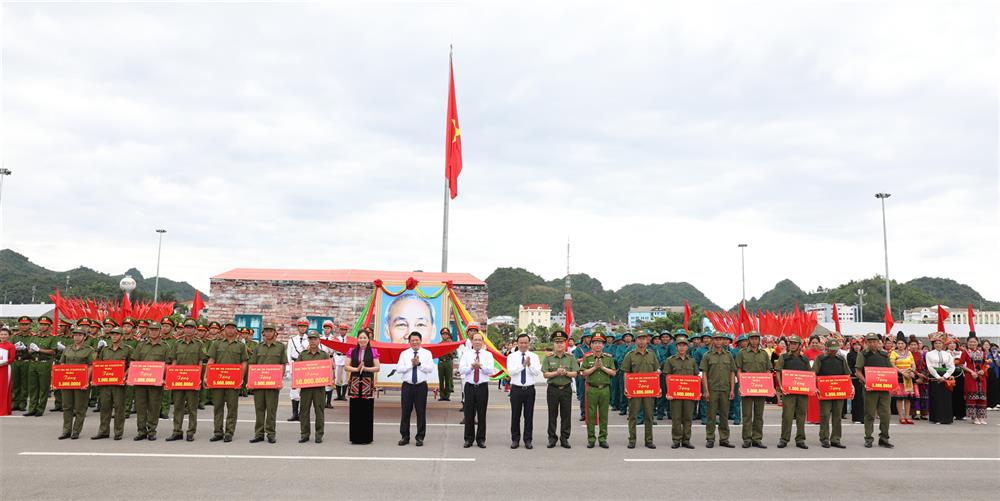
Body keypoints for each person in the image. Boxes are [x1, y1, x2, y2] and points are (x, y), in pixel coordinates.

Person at [207, 320, 249, 442]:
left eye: (233, 328)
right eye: (228, 327)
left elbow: (244, 362)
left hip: (233, 382)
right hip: (218, 381)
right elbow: (211, 360)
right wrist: (206, 376)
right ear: (224, 329)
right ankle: (218, 432)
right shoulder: (216, 344)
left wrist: (241, 378)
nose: (230, 330)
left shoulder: (241, 345)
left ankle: (229, 432)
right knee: (218, 407)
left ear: (236, 330)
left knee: (232, 408)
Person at [166, 320, 204, 442]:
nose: (188, 330)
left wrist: (198, 378)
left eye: (191, 328)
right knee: (178, 406)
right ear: (183, 329)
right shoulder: (177, 344)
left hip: (192, 381)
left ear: (195, 330)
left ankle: (191, 431)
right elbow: (174, 361)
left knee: (192, 408)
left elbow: (200, 362)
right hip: (178, 380)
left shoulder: (199, 344)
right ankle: (177, 431)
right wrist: (171, 378)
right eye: (186, 327)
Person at [459, 328, 497, 448]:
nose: (477, 342)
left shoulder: (488, 355)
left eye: (479, 340)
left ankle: (481, 439)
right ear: (472, 341)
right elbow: (461, 370)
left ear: (483, 342)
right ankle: (468, 439)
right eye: (475, 340)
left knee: (482, 414)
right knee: (469, 414)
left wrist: (480, 366)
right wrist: (471, 367)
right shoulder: (466, 354)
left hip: (482, 387)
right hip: (469, 386)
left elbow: (491, 371)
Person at [56, 325, 95, 440]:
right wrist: (60, 380)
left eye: (80, 335)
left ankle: (76, 430)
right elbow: (62, 364)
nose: (77, 337)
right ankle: (66, 430)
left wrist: (86, 381)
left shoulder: (89, 350)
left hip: (81, 383)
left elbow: (91, 366)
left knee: (80, 408)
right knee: (67, 406)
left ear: (84, 337)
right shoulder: (68, 348)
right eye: (75, 335)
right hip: (68, 382)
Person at [855, 332, 894, 448]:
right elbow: (858, 372)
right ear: (866, 343)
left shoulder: (884, 354)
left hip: (884, 389)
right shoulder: (863, 355)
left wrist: (892, 383)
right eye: (870, 342)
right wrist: (867, 382)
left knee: (885, 414)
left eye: (875, 341)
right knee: (869, 414)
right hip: (870, 389)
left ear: (878, 342)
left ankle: (884, 438)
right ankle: (868, 438)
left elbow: (890, 371)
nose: (872, 344)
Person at [249, 322, 286, 444]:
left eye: (271, 331)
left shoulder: (280, 347)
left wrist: (279, 380)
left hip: (273, 384)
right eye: (267, 331)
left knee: (271, 410)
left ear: (275, 333)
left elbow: (282, 365)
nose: (269, 333)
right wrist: (251, 381)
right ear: (263, 333)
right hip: (259, 384)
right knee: (259, 409)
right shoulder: (258, 347)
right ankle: (259, 434)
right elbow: (252, 365)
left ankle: (271, 433)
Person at [621, 330, 659, 449]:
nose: (642, 341)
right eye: (639, 338)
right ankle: (632, 440)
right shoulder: (630, 355)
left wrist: (658, 388)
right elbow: (626, 373)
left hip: (648, 391)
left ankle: (649, 440)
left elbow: (656, 372)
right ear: (636, 340)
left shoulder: (652, 354)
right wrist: (626, 388)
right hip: (634, 391)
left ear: (647, 340)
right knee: (633, 416)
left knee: (649, 416)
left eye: (644, 338)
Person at [93, 327, 131, 440]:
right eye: (112, 334)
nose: (114, 336)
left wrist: (124, 375)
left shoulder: (127, 349)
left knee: (119, 408)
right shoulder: (105, 350)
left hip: (119, 384)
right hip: (105, 383)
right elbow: (98, 364)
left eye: (117, 334)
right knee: (105, 407)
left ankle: (118, 432)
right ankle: (103, 431)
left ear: (122, 336)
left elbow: (131, 365)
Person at [542, 330, 578, 449]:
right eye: (557, 342)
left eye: (562, 342)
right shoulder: (548, 358)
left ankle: (564, 438)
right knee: (552, 414)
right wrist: (556, 373)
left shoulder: (570, 357)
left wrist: (566, 372)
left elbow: (575, 374)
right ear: (553, 343)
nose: (559, 344)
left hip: (566, 389)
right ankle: (552, 438)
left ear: (565, 343)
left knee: (566, 415)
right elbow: (545, 374)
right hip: (553, 389)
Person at [133, 322, 169, 441]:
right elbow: (135, 362)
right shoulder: (141, 345)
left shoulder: (165, 346)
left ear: (160, 331)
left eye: (156, 330)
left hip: (156, 382)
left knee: (154, 407)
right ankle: (141, 431)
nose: (153, 332)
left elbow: (167, 364)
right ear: (148, 331)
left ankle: (152, 430)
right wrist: (132, 377)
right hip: (141, 381)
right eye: (151, 329)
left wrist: (163, 377)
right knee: (141, 406)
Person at [735, 331, 771, 449]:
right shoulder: (742, 353)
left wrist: (768, 386)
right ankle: (747, 439)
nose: (754, 341)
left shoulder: (764, 354)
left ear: (759, 340)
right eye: (752, 338)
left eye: (756, 338)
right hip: (747, 389)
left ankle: (757, 438)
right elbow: (738, 370)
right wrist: (741, 384)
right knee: (746, 415)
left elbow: (768, 370)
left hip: (761, 389)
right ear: (749, 340)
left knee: (759, 415)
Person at [398, 331, 434, 446]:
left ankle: (420, 437)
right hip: (407, 386)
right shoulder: (404, 354)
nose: (415, 342)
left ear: (420, 340)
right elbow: (399, 369)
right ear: (409, 342)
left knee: (421, 412)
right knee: (405, 412)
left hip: (421, 386)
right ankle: (405, 436)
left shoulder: (427, 353)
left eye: (416, 340)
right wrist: (411, 365)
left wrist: (419, 364)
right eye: (412, 340)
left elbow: (430, 368)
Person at [580, 333, 616, 449]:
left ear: (603, 345)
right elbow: (583, 373)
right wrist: (595, 367)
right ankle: (591, 439)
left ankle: (603, 438)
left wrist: (603, 367)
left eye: (600, 343)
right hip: (592, 388)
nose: (597, 345)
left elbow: (613, 373)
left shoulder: (609, 358)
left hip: (604, 389)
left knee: (604, 415)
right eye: (595, 343)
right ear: (591, 345)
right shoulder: (588, 358)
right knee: (590, 415)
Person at [701, 331, 736, 448]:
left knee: (724, 415)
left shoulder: (729, 355)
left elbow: (732, 373)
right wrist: (706, 390)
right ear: (713, 340)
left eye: (721, 339)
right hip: (712, 389)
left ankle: (724, 438)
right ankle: (710, 438)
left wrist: (732, 390)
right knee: (711, 415)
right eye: (716, 339)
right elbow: (704, 374)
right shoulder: (707, 355)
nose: (718, 341)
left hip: (725, 389)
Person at [814, 338, 850, 448]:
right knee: (824, 415)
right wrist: (815, 387)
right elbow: (813, 373)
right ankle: (824, 438)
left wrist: (850, 387)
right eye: (831, 349)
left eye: (836, 349)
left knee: (837, 415)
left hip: (839, 391)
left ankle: (836, 438)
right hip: (824, 391)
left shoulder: (841, 359)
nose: (834, 351)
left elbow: (847, 374)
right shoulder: (820, 359)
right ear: (827, 348)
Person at [507, 333, 541, 449]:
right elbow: (511, 372)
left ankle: (528, 440)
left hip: (529, 389)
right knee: (515, 415)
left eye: (525, 342)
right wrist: (523, 365)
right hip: (516, 389)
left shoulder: (534, 356)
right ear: (517, 343)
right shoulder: (512, 356)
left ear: (529, 343)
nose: (523, 345)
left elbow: (536, 372)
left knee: (529, 416)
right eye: (521, 342)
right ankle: (515, 439)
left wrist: (529, 365)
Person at [346, 328, 380, 444]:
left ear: (368, 339)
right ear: (357, 339)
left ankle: (366, 437)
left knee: (367, 409)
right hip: (355, 380)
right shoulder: (352, 351)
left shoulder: (373, 351)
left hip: (367, 381)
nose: (362, 339)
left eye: (364, 337)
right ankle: (355, 437)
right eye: (360, 337)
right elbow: (346, 366)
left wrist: (365, 368)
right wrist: (356, 369)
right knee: (355, 408)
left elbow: (377, 367)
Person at [775, 336, 810, 449]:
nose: (793, 345)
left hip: (802, 392)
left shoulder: (804, 359)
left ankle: (800, 439)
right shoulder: (784, 357)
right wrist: (781, 386)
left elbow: (810, 375)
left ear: (800, 345)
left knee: (801, 415)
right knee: (787, 416)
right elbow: (778, 372)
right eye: (791, 343)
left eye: (795, 343)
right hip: (788, 392)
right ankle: (784, 439)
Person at [663, 334, 697, 449]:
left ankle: (686, 440)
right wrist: (669, 392)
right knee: (676, 418)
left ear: (687, 347)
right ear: (676, 347)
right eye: (679, 345)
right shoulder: (671, 360)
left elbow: (696, 378)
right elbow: (667, 377)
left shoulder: (692, 361)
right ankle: (676, 440)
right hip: (675, 394)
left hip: (688, 394)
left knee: (688, 417)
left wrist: (696, 393)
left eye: (684, 345)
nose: (682, 348)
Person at [295, 330, 329, 443]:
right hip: (306, 389)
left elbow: (328, 371)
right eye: (311, 339)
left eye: (315, 339)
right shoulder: (303, 354)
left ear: (319, 340)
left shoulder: (324, 355)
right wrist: (295, 383)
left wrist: (329, 379)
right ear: (308, 340)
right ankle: (304, 434)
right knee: (304, 411)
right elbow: (297, 370)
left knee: (319, 411)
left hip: (319, 388)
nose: (313, 341)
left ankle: (319, 434)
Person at [24, 316, 57, 417]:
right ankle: (32, 408)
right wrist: (30, 350)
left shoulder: (52, 338)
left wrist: (39, 350)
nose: (42, 327)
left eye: (45, 325)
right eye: (41, 324)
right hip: (34, 363)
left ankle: (40, 408)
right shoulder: (34, 337)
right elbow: (29, 350)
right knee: (33, 387)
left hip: (44, 364)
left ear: (49, 326)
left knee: (43, 387)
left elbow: (52, 351)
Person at [926, 334, 956, 424]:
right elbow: (929, 367)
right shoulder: (929, 354)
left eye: (940, 343)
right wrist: (938, 377)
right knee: (936, 397)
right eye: (936, 343)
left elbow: (952, 366)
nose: (938, 345)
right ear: (933, 344)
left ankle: (946, 418)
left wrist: (945, 376)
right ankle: (937, 418)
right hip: (935, 376)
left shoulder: (947, 354)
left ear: (943, 344)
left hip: (945, 376)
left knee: (946, 398)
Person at [959, 334, 988, 425]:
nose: (972, 343)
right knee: (972, 396)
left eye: (974, 341)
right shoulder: (965, 352)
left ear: (977, 342)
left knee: (981, 396)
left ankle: (981, 417)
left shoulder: (982, 353)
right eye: (970, 342)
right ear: (967, 343)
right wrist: (971, 371)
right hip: (970, 377)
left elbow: (986, 364)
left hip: (981, 377)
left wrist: (983, 371)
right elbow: (961, 364)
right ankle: (974, 417)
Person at [889, 333, 917, 424]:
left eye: (902, 343)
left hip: (909, 377)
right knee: (900, 398)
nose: (900, 345)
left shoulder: (909, 353)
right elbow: (892, 364)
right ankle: (901, 416)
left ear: (906, 344)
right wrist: (902, 372)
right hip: (899, 376)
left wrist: (912, 371)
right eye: (899, 343)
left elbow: (913, 364)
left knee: (908, 398)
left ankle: (907, 416)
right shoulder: (894, 353)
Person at [285, 318, 309, 422]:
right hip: (295, 365)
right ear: (298, 327)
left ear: (307, 328)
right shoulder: (292, 340)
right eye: (300, 326)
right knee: (294, 390)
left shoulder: (310, 339)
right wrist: (289, 368)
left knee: (304, 391)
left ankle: (302, 413)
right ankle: (294, 413)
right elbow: (289, 355)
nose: (302, 328)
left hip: (305, 366)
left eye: (304, 326)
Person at [572, 332, 592, 421]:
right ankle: (583, 414)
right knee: (583, 395)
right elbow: (575, 361)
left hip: (592, 373)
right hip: (582, 374)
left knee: (593, 395)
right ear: (583, 339)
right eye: (587, 337)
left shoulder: (594, 347)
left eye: (590, 337)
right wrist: (584, 359)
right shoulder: (579, 349)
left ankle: (592, 414)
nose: (589, 339)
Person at [846, 340, 865, 423]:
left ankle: (863, 417)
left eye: (859, 345)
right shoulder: (850, 355)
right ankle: (856, 417)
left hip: (864, 377)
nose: (857, 347)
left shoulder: (864, 354)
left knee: (863, 398)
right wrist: (857, 372)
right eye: (855, 345)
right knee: (856, 398)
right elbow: (849, 367)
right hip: (855, 378)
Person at [332, 323, 350, 402]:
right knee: (337, 378)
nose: (343, 331)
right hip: (338, 358)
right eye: (341, 329)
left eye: (344, 330)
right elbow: (333, 350)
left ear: (346, 331)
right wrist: (333, 360)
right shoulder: (336, 339)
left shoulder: (349, 339)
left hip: (346, 358)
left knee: (345, 378)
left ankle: (343, 395)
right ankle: (339, 395)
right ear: (339, 330)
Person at [437, 328, 455, 401]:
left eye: (446, 334)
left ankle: (447, 396)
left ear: (448, 335)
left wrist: (448, 348)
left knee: (448, 378)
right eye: (443, 334)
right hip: (441, 362)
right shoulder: (439, 344)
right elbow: (437, 354)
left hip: (448, 362)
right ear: (441, 335)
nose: (444, 336)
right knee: (441, 379)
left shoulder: (451, 343)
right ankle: (441, 395)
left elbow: (453, 355)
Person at [0, 326, 13, 416]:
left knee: (3, 389)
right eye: (1, 334)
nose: (3, 336)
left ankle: (4, 410)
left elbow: (11, 359)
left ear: (8, 336)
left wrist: (2, 364)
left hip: (5, 369)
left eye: (5, 334)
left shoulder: (11, 346)